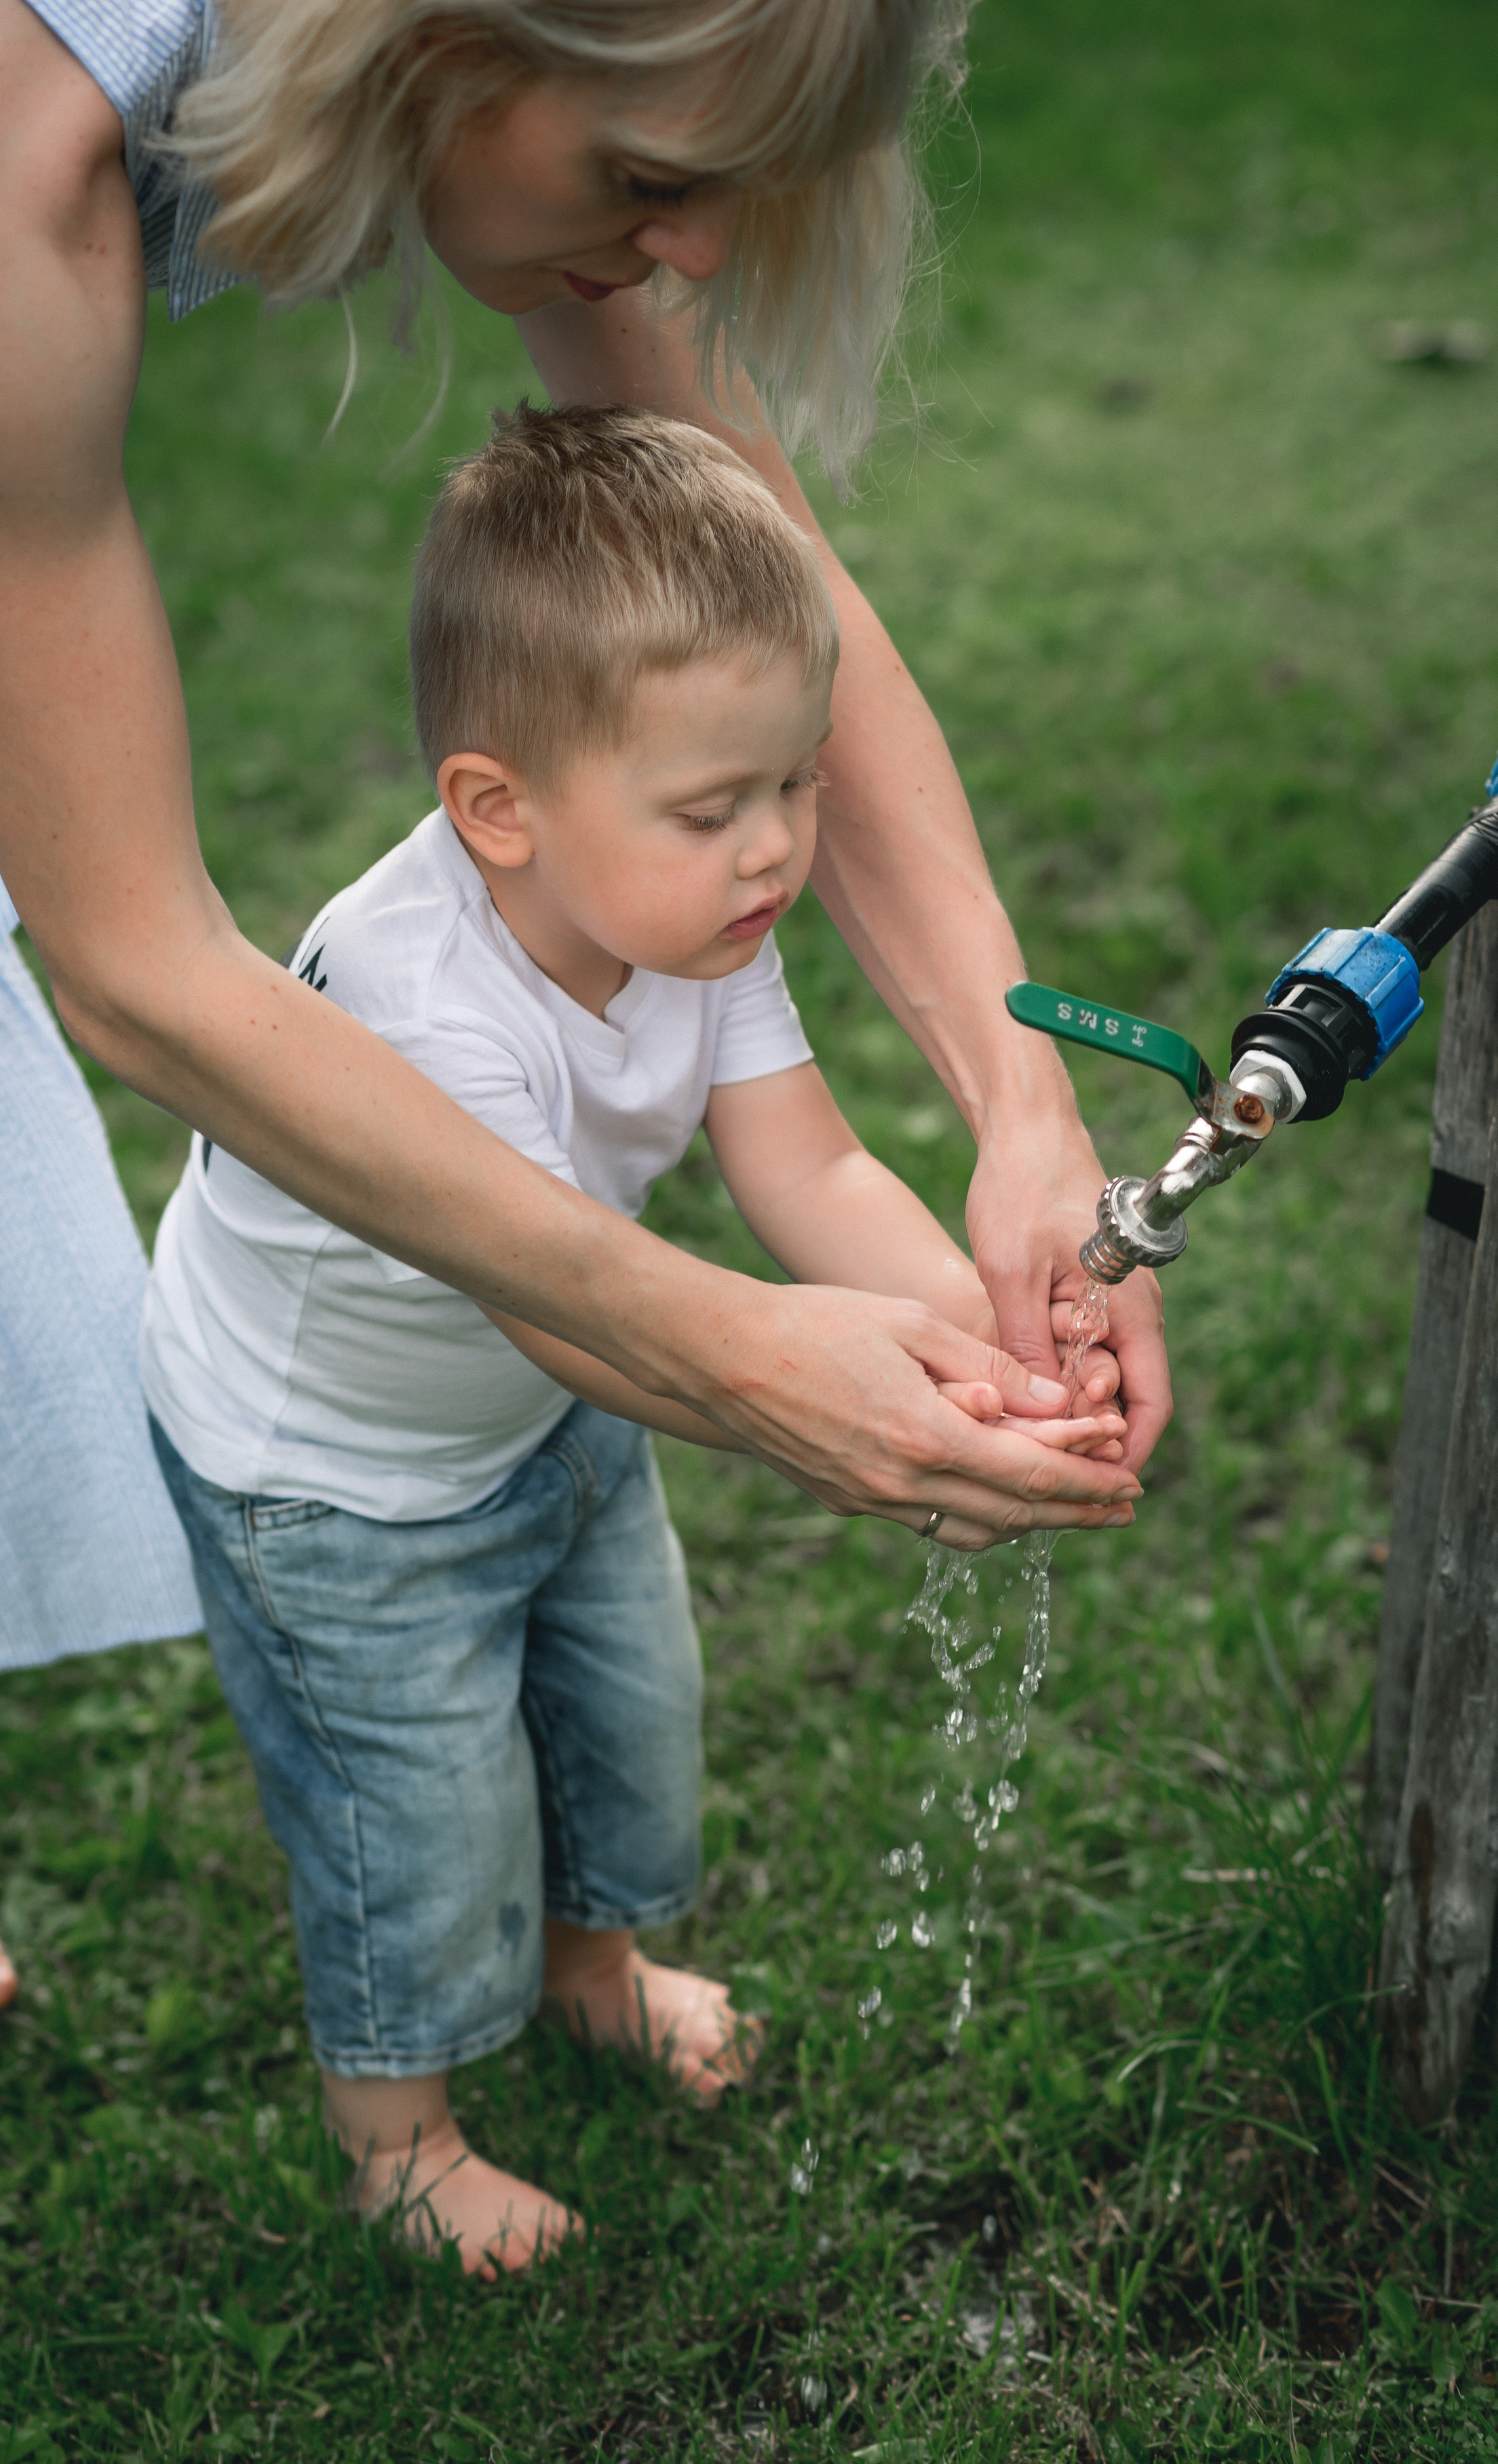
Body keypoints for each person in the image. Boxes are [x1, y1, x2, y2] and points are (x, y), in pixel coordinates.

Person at [0, 0, 1163, 2254]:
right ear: (450, 34)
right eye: (649, 185)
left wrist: (1022, 1099)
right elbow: (141, 963)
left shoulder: (531, 41)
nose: (696, 259)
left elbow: (766, 577)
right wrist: (731, 1355)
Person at [145, 404, 1132, 2273]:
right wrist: (854, 1395)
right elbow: (576, 1302)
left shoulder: (690, 912)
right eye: (713, 808)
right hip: (335, 1475)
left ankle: (593, 1968)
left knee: (625, 1713)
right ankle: (401, 2132)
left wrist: (993, 1345)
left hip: (563, 1394)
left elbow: (812, 1162)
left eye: (792, 788)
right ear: (497, 807)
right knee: (414, 1803)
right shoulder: (428, 1002)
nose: (774, 853)